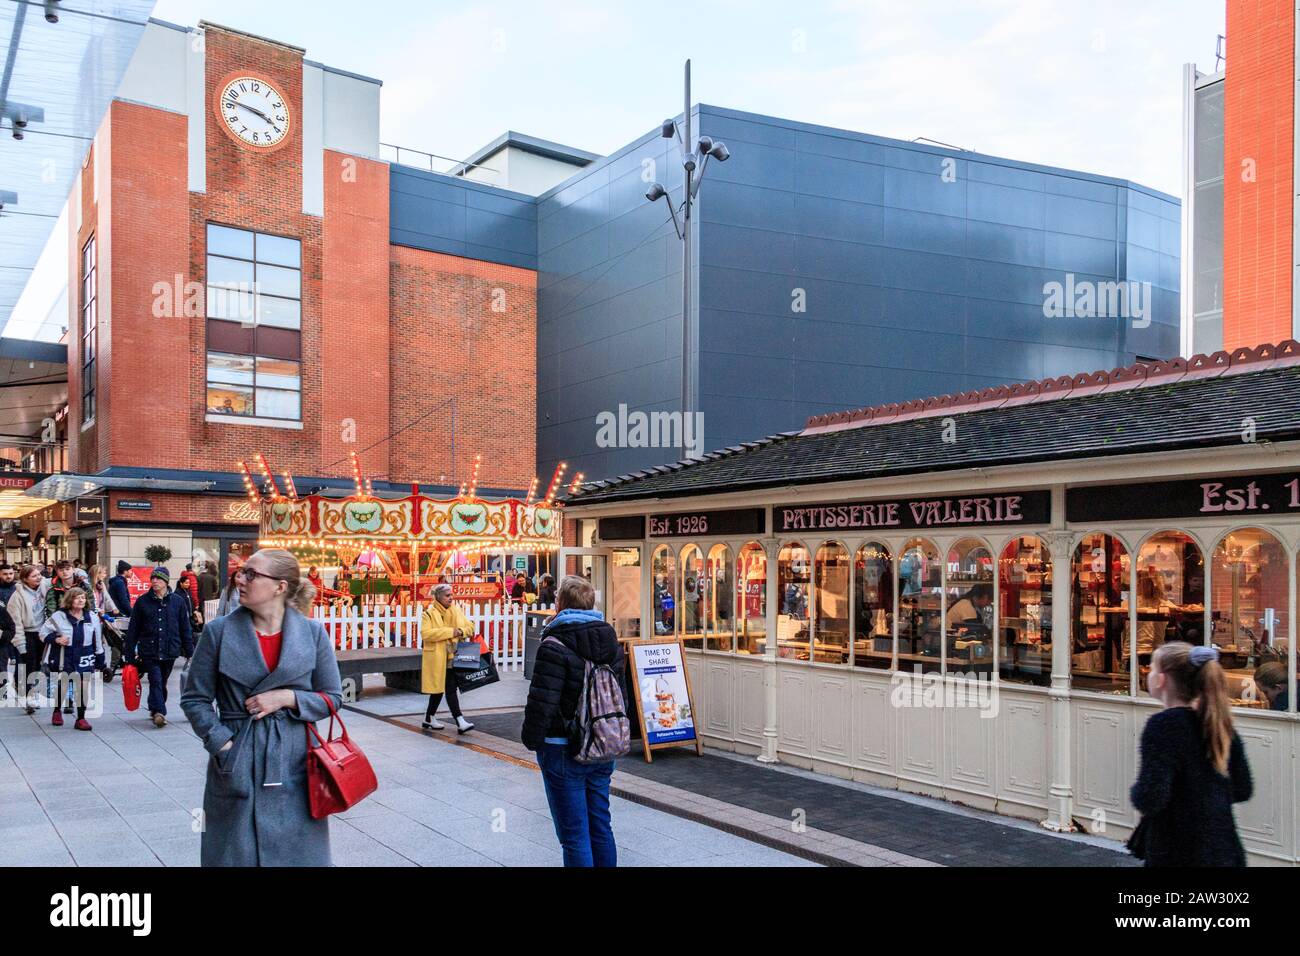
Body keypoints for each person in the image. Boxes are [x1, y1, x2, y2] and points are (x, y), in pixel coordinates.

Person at [180, 548, 343, 867]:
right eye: (241, 572)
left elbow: (333, 697)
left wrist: (287, 698)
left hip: (295, 758)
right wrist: (223, 744)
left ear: (280, 586)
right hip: (239, 755)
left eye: (251, 574)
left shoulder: (312, 633)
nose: (240, 579)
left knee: (296, 855)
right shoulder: (219, 632)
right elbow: (194, 698)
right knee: (234, 854)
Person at [522, 575, 625, 867]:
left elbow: (542, 701)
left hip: (562, 746)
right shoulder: (611, 641)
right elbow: (621, 696)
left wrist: (531, 739)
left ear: (560, 604)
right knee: (600, 826)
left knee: (574, 834)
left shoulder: (554, 644)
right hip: (602, 743)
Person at [1129, 642, 1252, 867]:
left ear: (1161, 679)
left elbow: (1151, 796)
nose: (1149, 672)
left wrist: (1138, 794)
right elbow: (1243, 788)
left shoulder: (1164, 725)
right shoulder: (1219, 724)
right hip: (1223, 845)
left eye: (1152, 667)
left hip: (1178, 848)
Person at [124, 566, 194, 728]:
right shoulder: (143, 601)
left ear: (166, 582)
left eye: (159, 579)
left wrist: (190, 651)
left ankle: (154, 705)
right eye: (153, 578)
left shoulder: (178, 601)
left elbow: (185, 627)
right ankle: (159, 712)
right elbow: (133, 629)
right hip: (149, 650)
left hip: (170, 649)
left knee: (162, 681)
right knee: (155, 679)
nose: (154, 581)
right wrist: (129, 655)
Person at [38, 588, 105, 731]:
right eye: (77, 598)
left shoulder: (92, 617)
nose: (81, 600)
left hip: (85, 654)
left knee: (83, 687)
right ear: (69, 600)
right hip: (65, 655)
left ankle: (81, 718)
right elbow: (43, 634)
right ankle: (57, 711)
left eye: (83, 597)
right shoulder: (58, 616)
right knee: (63, 685)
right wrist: (56, 639)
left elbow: (98, 640)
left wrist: (100, 659)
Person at [418, 583, 476, 733]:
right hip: (437, 657)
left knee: (449, 688)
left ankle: (451, 719)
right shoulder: (428, 614)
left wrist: (461, 631)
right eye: (447, 595)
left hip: (454, 656)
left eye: (451, 595)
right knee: (439, 690)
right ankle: (444, 719)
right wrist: (451, 632)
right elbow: (427, 634)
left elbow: (470, 628)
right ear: (438, 597)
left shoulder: (456, 611)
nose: (451, 598)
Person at [7, 565, 49, 715]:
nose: (38, 577)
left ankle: (29, 690)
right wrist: (20, 644)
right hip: (27, 633)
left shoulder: (44, 587)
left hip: (43, 632)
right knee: (28, 665)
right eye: (34, 576)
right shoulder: (17, 596)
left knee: (38, 665)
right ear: (25, 579)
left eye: (39, 574)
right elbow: (15, 622)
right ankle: (28, 696)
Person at [0, 564, 17, 696]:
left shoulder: (17, 588)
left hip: (14, 627)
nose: (8, 576)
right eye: (5, 574)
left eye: (10, 573)